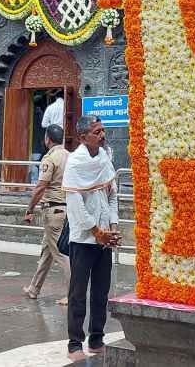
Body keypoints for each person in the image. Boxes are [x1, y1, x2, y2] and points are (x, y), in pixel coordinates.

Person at [63, 115, 119, 361]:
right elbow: (75, 204)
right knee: (78, 292)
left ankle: (97, 338)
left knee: (101, 291)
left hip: (105, 238)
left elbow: (112, 195)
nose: (102, 135)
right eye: (97, 131)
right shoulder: (75, 163)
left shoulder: (105, 158)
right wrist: (97, 231)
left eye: (103, 130)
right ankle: (75, 343)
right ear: (83, 136)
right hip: (84, 239)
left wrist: (113, 226)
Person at [23, 124, 71, 304]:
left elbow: (40, 187)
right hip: (66, 209)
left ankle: (72, 295)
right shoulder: (69, 156)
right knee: (46, 252)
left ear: (47, 139)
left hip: (53, 210)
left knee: (61, 254)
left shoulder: (50, 158)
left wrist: (29, 209)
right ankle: (34, 289)